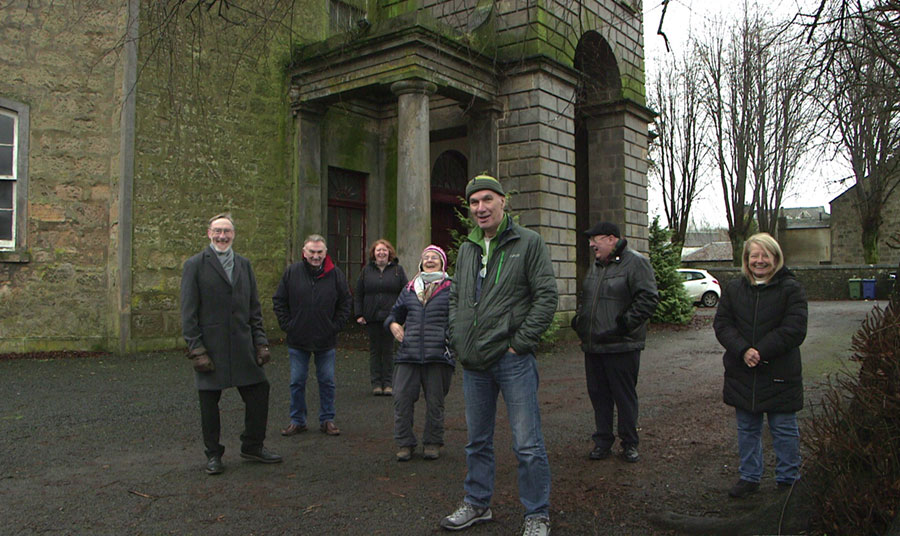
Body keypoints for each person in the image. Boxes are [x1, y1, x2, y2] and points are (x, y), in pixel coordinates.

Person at [440, 175, 558, 536]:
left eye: (487, 200)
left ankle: (536, 513)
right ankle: (477, 503)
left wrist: (519, 343)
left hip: (512, 359)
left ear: (503, 202)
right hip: (474, 361)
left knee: (527, 443)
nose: (480, 208)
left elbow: (547, 297)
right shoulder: (466, 248)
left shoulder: (529, 243)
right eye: (474, 202)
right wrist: (457, 336)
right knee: (476, 440)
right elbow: (457, 296)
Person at [180, 212, 282, 475]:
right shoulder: (195, 265)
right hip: (210, 349)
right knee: (209, 404)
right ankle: (213, 454)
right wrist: (196, 349)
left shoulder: (244, 265)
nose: (222, 236)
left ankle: (252, 445)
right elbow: (188, 314)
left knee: (260, 391)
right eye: (217, 231)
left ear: (234, 234)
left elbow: (254, 309)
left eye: (227, 231)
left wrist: (261, 343)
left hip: (242, 346)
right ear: (209, 233)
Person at [713, 232, 808, 498]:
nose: (759, 260)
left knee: (784, 429)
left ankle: (789, 480)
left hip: (780, 373)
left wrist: (760, 350)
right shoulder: (734, 288)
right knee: (747, 429)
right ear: (746, 259)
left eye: (765, 255)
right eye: (754, 255)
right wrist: (743, 350)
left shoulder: (792, 288)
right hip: (742, 371)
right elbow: (722, 324)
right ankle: (749, 477)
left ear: (776, 257)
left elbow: (795, 329)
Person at [572, 222, 659, 464]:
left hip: (621, 345)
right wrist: (579, 320)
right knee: (599, 397)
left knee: (624, 397)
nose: (591, 245)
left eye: (595, 239)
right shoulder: (597, 266)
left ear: (611, 239)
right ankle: (602, 442)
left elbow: (648, 298)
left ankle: (629, 443)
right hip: (594, 345)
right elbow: (587, 298)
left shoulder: (636, 263)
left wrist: (623, 326)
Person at [273, 234, 352, 437]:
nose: (316, 256)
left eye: (319, 252)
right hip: (298, 339)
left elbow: (345, 302)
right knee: (297, 381)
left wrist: (335, 326)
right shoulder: (292, 272)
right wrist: (288, 325)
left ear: (325, 253)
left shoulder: (335, 274)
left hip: (326, 339)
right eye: (312, 252)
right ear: (304, 252)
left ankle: (327, 419)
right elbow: (279, 301)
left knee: (327, 381)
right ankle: (297, 420)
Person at [384, 245, 454, 462]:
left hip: (438, 354)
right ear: (420, 262)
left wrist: (451, 340)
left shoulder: (451, 287)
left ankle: (433, 442)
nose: (430, 260)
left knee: (435, 402)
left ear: (442, 263)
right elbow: (394, 313)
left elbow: (459, 318)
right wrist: (393, 324)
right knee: (402, 399)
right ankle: (404, 443)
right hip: (408, 353)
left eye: (435, 257)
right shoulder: (410, 288)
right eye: (426, 257)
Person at [354, 239, 408, 396]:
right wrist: (359, 313)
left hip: (391, 317)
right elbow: (359, 293)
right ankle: (376, 383)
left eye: (384, 250)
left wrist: (403, 315)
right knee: (375, 351)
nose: (381, 253)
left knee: (389, 350)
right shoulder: (366, 271)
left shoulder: (398, 270)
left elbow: (405, 292)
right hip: (372, 317)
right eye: (378, 250)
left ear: (389, 252)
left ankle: (389, 383)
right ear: (373, 253)